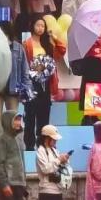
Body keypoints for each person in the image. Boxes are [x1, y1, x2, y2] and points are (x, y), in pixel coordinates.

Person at [23, 17, 66, 151]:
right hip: (31, 82)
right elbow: (24, 63)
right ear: (32, 26)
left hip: (45, 83)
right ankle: (29, 146)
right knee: (30, 115)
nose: (40, 28)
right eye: (38, 25)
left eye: (43, 26)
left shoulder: (47, 44)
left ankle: (42, 144)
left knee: (44, 114)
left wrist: (54, 38)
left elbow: (62, 50)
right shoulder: (26, 44)